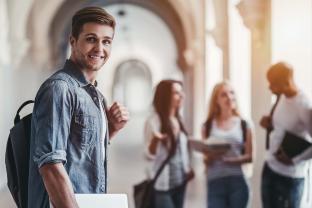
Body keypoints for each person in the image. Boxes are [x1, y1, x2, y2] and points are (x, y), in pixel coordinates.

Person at [28, 7, 129, 208]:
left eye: (106, 41)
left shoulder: (95, 95)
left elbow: (80, 151)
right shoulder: (60, 88)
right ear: (73, 41)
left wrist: (112, 128)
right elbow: (51, 164)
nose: (100, 48)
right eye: (91, 39)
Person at [260, 62, 312, 208]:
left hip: (290, 177)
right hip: (270, 167)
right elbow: (282, 127)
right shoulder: (281, 97)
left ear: (286, 82)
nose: (269, 88)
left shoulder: (305, 107)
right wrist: (270, 123)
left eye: (273, 84)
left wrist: (295, 160)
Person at [202, 81, 253, 208]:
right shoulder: (207, 126)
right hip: (214, 181)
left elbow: (250, 157)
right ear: (216, 101)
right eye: (224, 95)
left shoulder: (244, 124)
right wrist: (210, 157)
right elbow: (206, 159)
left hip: (237, 181)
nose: (229, 97)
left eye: (231, 93)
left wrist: (231, 161)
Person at [144, 80, 194, 208]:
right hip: (162, 184)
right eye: (176, 93)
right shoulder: (153, 121)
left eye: (181, 92)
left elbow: (180, 150)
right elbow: (149, 155)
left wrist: (187, 168)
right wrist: (156, 140)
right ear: (165, 96)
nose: (182, 95)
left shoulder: (178, 119)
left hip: (180, 182)